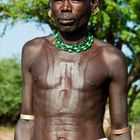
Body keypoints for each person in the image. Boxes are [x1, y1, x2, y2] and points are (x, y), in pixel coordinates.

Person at [14, 0, 131, 140]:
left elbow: (120, 131)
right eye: (58, 0)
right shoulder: (33, 51)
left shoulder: (111, 58)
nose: (65, 7)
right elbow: (26, 120)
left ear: (93, 4)